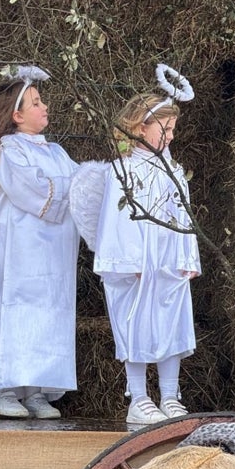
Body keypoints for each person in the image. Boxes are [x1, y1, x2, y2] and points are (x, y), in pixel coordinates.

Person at [93, 64, 200, 426]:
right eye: (164, 128)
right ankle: (138, 397)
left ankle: (170, 395)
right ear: (141, 128)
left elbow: (183, 218)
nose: (170, 136)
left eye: (173, 130)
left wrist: (187, 256)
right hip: (138, 265)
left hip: (168, 262)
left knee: (171, 323)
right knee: (136, 324)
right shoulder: (123, 170)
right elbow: (117, 219)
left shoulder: (173, 171)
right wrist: (130, 261)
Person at [0, 65, 80, 419]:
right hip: (19, 249)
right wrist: (66, 191)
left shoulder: (55, 152)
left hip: (53, 252)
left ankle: (37, 389)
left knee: (49, 314)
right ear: (17, 115)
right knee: (16, 309)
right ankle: (4, 389)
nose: (44, 107)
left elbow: (79, 184)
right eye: (36, 103)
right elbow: (32, 190)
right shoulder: (9, 150)